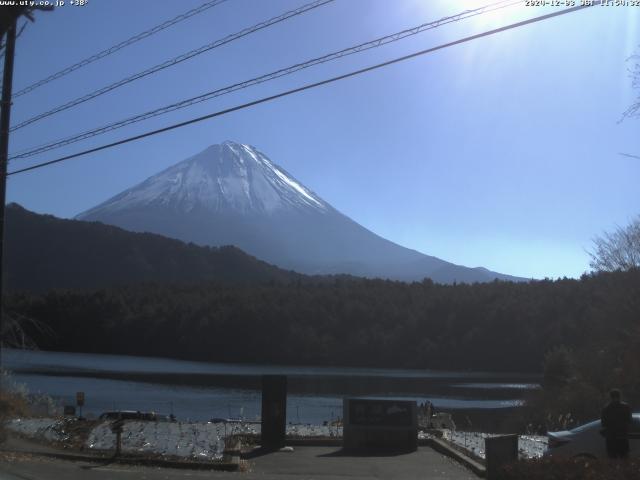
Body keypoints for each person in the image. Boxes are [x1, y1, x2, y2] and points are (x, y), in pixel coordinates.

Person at [601, 389, 632, 459]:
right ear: (619, 396)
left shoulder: (606, 409)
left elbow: (603, 424)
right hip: (622, 437)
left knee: (613, 461)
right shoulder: (625, 407)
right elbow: (629, 421)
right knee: (625, 461)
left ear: (610, 397)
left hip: (611, 438)